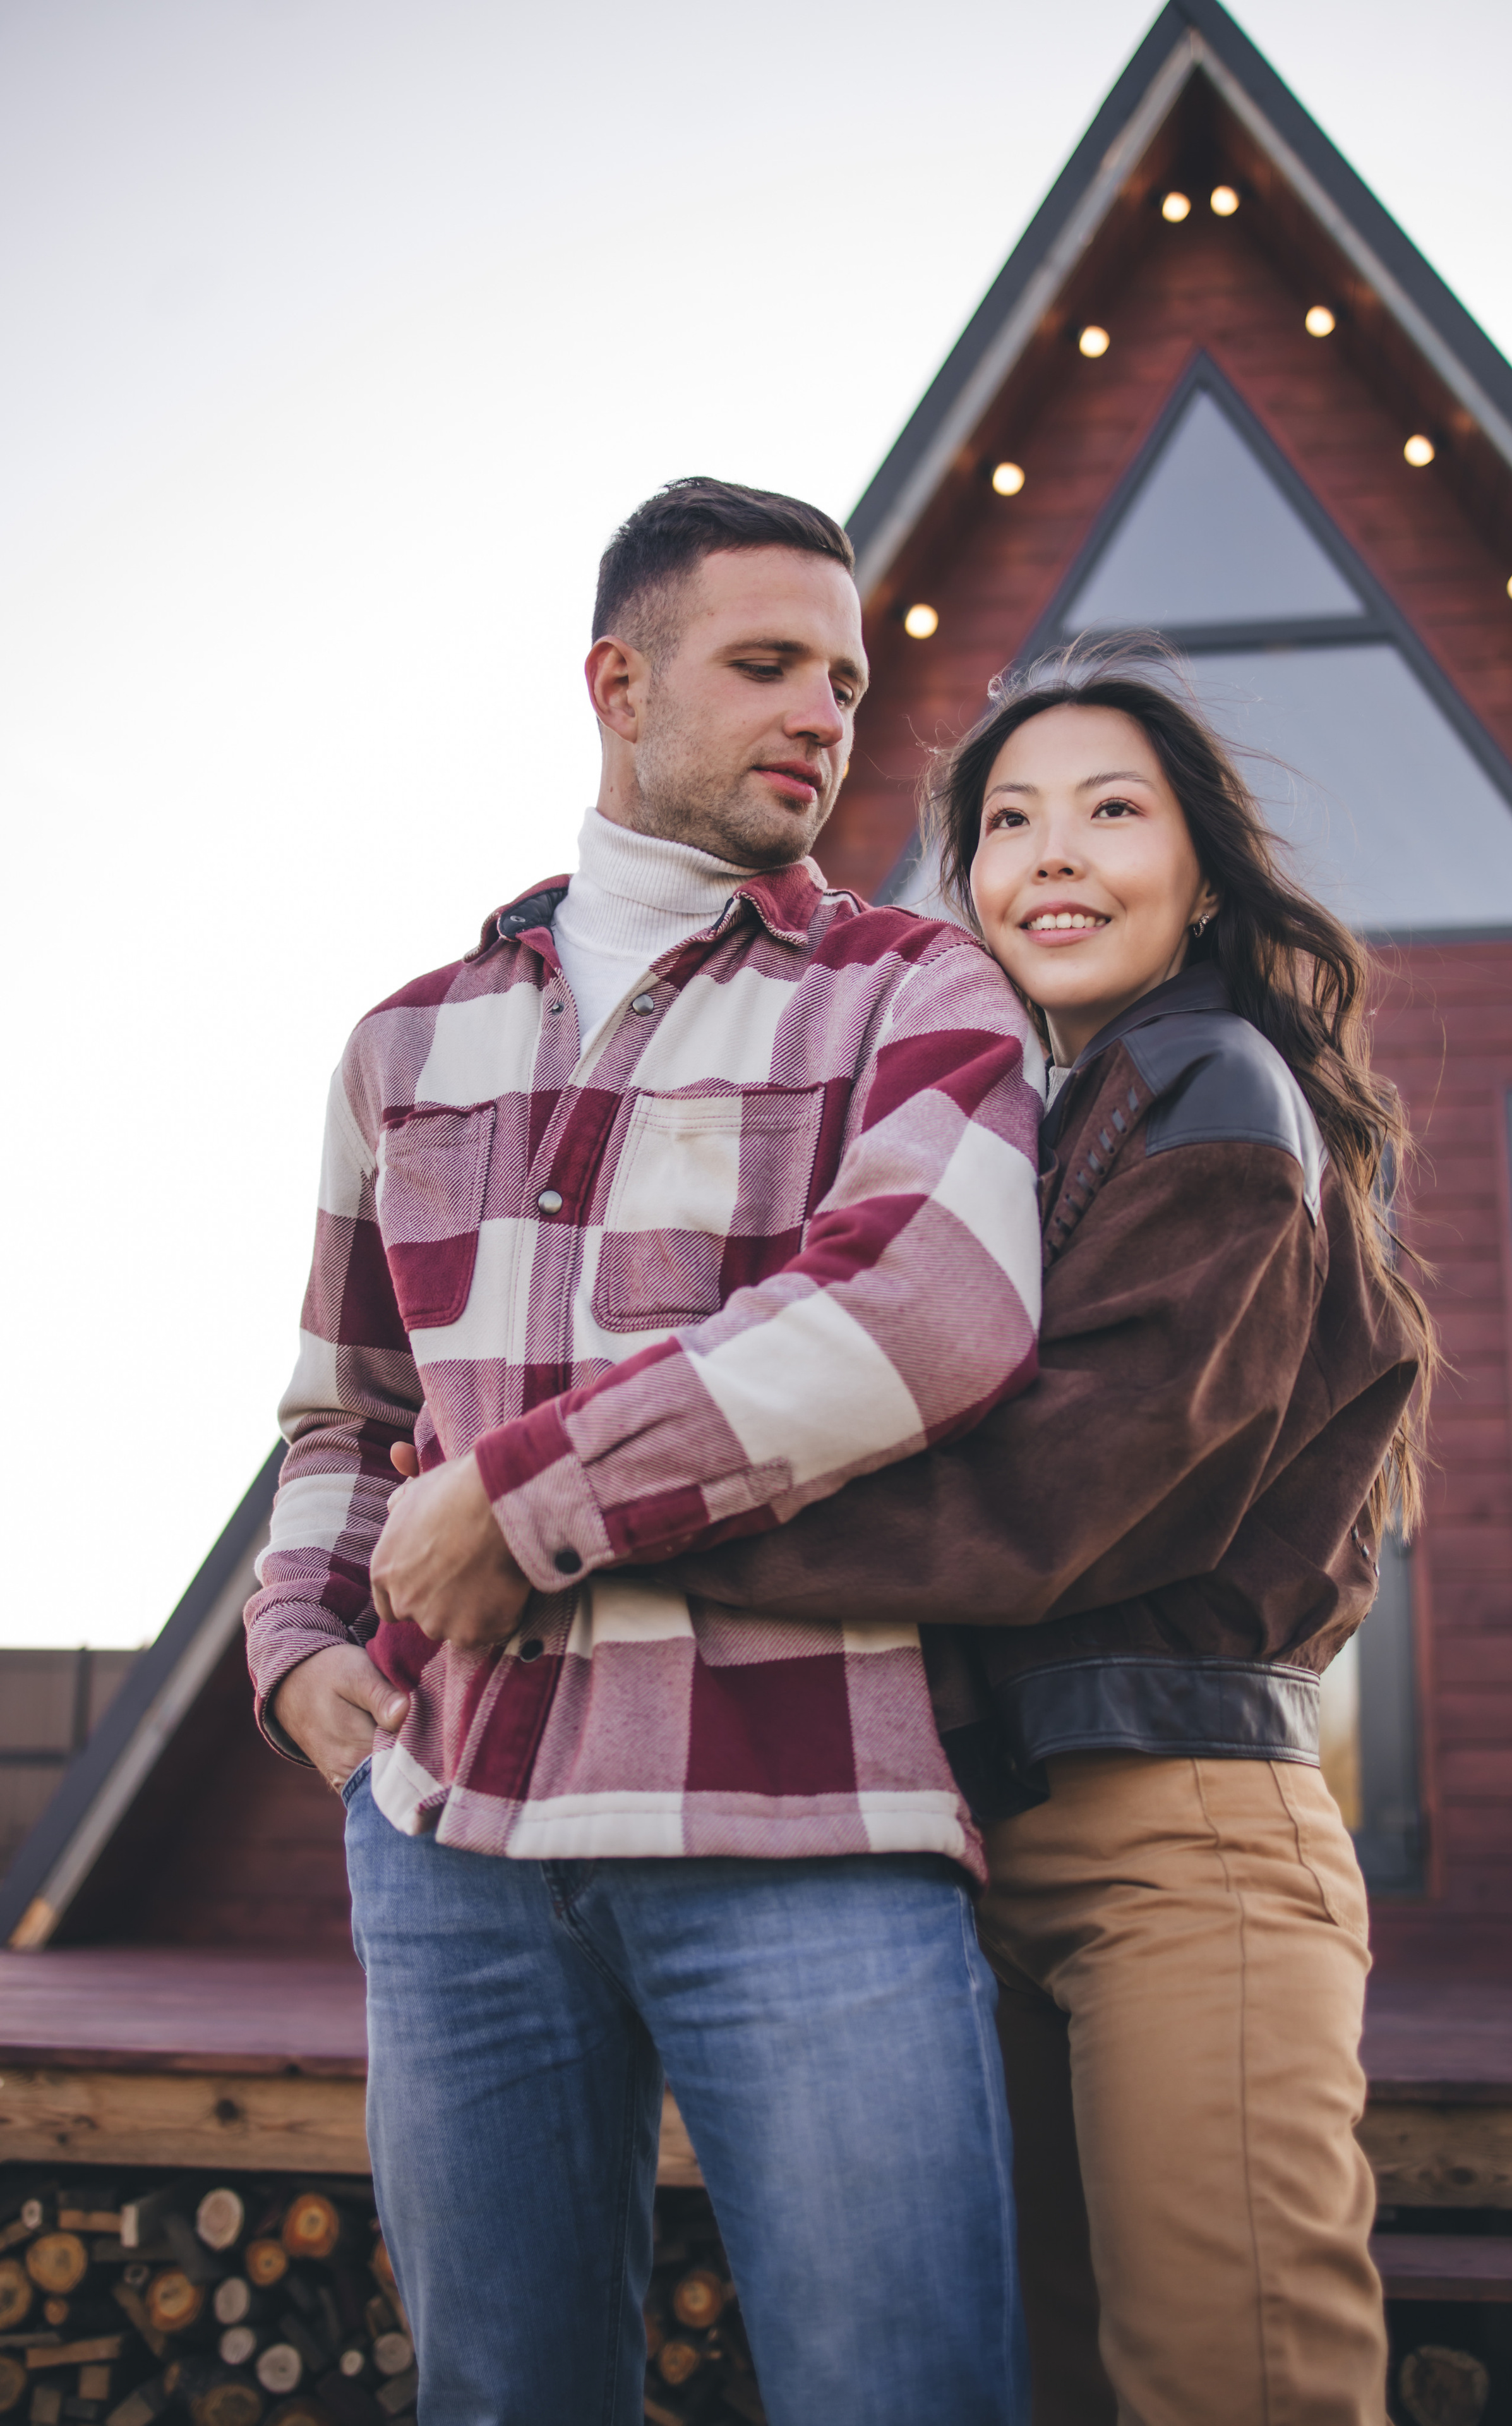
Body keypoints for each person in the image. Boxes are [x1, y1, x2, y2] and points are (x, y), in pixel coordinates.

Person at [243, 478, 1043, 2426]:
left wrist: (520, 1509)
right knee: (507, 2400)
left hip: (807, 1828)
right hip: (448, 1843)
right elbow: (347, 1405)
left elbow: (927, 1306)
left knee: (901, 2394)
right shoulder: (402, 1048)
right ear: (618, 683)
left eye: (844, 683)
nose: (823, 718)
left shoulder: (913, 990)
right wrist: (294, 1639)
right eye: (767, 665)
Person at [664, 646, 1436, 2426]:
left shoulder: (1221, 1089)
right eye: (1007, 823)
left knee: (1239, 2394)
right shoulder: (1028, 1124)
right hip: (986, 1852)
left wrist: (648, 1527)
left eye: (1112, 811)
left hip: (1186, 1846)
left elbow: (1063, 1490)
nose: (1052, 857)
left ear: (1203, 872)